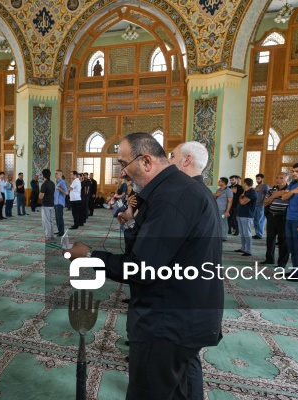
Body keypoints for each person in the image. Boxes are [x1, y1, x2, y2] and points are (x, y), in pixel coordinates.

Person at [67, 133, 223, 400]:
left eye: (123, 164)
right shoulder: (183, 189)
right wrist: (130, 224)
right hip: (191, 316)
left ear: (147, 161)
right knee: (183, 390)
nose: (122, 174)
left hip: (167, 323)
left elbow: (140, 268)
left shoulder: (170, 198)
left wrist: (90, 255)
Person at [169, 140, 211, 400]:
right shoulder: (199, 191)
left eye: (171, 156)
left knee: (184, 360)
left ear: (186, 160)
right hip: (195, 289)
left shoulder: (189, 195)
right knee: (187, 358)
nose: (167, 161)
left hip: (186, 293)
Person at [261, 172, 290, 268]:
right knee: (270, 239)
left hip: (283, 218)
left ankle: (281, 263)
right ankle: (269, 259)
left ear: (287, 180)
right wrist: (274, 196)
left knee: (283, 241)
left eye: (281, 178)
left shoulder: (290, 190)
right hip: (271, 217)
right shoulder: (271, 191)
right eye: (277, 177)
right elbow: (265, 203)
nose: (278, 180)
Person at [236, 178, 257, 257]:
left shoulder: (251, 192)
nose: (242, 184)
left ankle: (248, 250)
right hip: (241, 214)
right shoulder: (246, 192)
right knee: (242, 233)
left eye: (243, 183)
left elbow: (242, 202)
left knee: (247, 233)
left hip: (247, 215)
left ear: (245, 183)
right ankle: (243, 248)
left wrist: (240, 197)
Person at [39, 169, 55, 241]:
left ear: (43, 175)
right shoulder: (52, 183)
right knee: (50, 221)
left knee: (46, 221)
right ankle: (51, 235)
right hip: (51, 204)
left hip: (45, 205)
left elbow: (41, 196)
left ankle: (47, 237)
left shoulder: (44, 184)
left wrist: (39, 194)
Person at [253, 174, 269, 239]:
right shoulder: (257, 186)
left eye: (259, 178)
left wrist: (264, 202)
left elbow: (268, 194)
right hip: (255, 205)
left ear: (262, 179)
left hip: (261, 205)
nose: (257, 180)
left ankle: (260, 234)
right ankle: (257, 233)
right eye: (256, 178)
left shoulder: (265, 186)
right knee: (255, 220)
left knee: (260, 220)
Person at [54, 169, 68, 237]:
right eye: (55, 173)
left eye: (56, 173)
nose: (55, 174)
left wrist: (59, 189)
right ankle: (59, 230)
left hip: (60, 203)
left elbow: (66, 192)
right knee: (57, 218)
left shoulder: (62, 182)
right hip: (56, 202)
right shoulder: (57, 182)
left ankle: (62, 232)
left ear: (60, 174)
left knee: (60, 218)